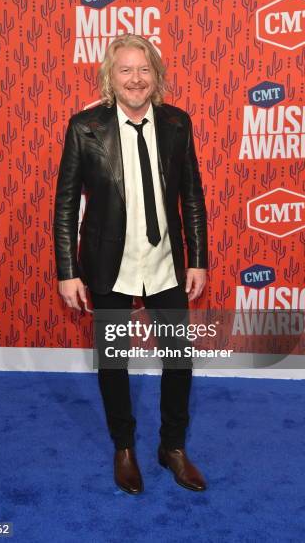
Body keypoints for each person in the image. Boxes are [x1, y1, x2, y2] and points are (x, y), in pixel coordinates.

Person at [53, 34, 208, 494]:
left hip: (165, 263)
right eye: (126, 70)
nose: (136, 79)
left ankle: (172, 448)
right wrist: (67, 270)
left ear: (155, 77)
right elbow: (65, 205)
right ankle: (123, 448)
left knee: (179, 359)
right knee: (113, 361)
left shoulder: (178, 123)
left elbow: (193, 198)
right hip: (108, 264)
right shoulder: (84, 128)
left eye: (144, 70)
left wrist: (197, 259)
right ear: (110, 77)